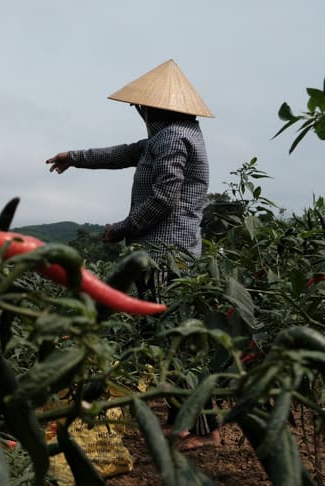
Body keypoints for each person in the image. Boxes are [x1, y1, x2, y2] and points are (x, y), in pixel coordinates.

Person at [45, 59, 219, 450]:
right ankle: (199, 426)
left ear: (154, 107)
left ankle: (191, 429)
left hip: (166, 253)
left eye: (140, 107)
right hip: (168, 251)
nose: (138, 112)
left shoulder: (174, 137)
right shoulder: (172, 135)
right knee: (177, 334)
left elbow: (164, 199)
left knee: (171, 334)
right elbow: (122, 153)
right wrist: (73, 157)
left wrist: (122, 229)